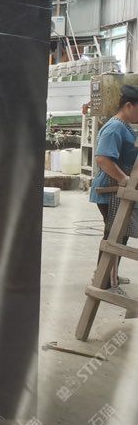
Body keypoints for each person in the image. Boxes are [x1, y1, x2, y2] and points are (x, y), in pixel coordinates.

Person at [89, 84, 138, 292]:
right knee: (114, 237)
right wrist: (123, 179)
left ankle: (110, 274)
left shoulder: (125, 126)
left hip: (118, 189)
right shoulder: (115, 127)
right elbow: (102, 159)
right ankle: (104, 280)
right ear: (129, 106)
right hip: (110, 190)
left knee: (120, 234)